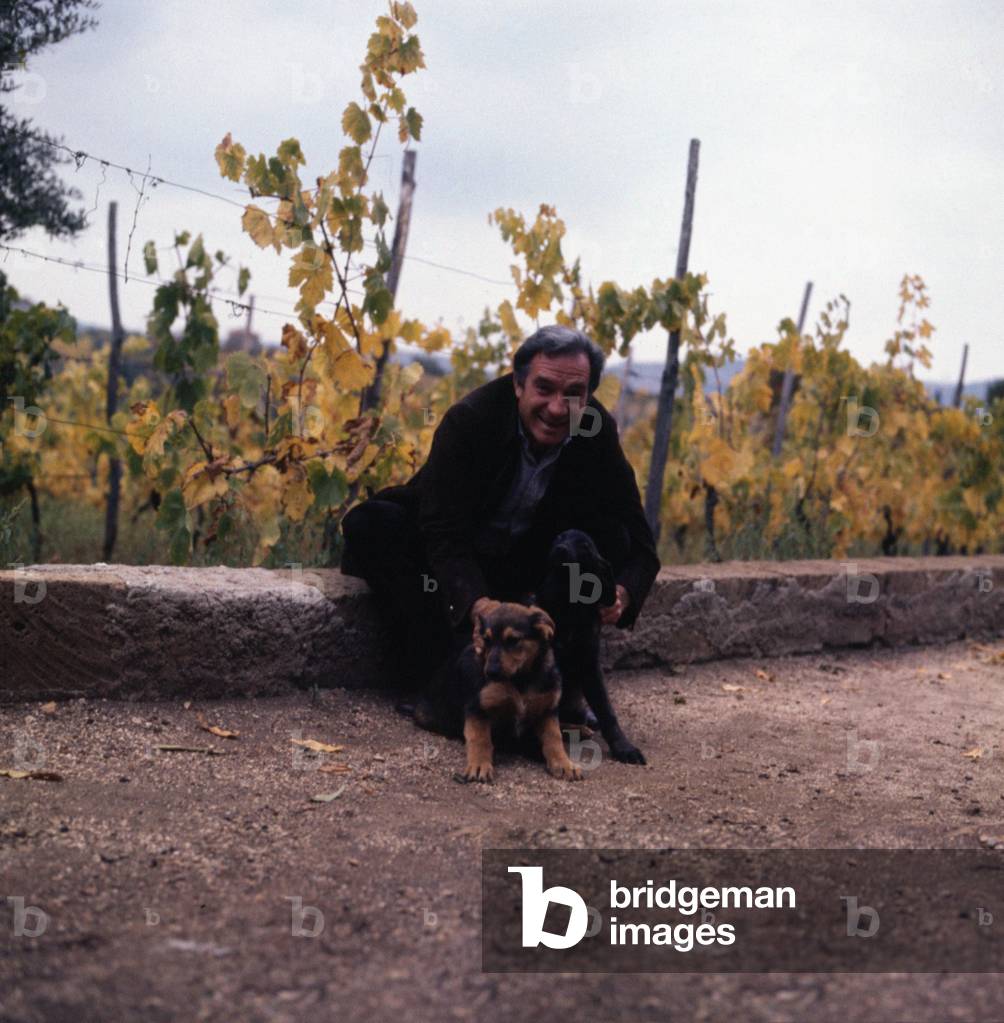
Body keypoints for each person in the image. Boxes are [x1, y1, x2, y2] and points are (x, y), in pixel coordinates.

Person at [339, 324, 661, 693]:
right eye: (544, 389)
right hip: (447, 560)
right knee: (372, 524)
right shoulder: (471, 420)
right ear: (518, 384)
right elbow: (442, 530)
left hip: (522, 564)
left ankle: (559, 680)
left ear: (588, 397)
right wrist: (478, 603)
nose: (558, 408)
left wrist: (623, 593)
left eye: (574, 394)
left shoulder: (595, 431)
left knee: (608, 538)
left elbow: (640, 542)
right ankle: (434, 676)